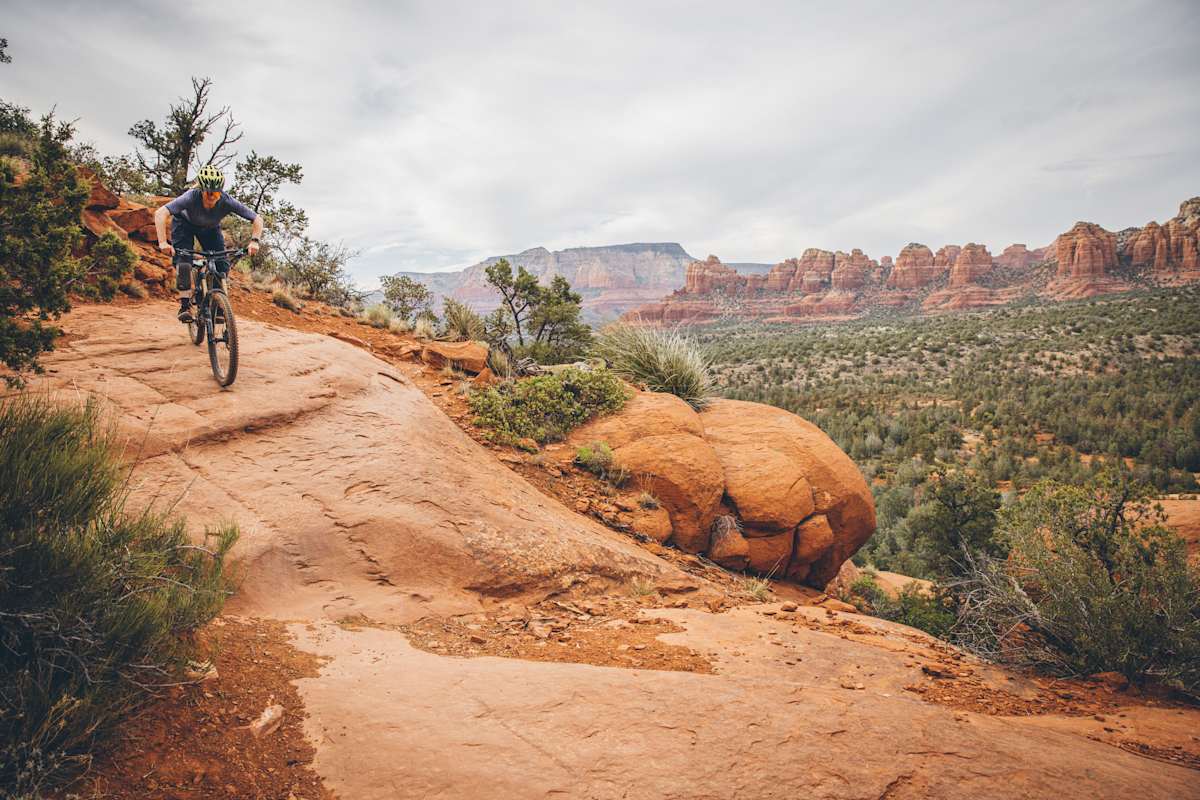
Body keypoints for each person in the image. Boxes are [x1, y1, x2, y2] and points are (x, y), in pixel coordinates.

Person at [154, 165, 263, 322]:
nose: (212, 196)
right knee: (184, 262)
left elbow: (257, 219)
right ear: (201, 190)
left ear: (221, 191)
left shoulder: (227, 200)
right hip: (184, 225)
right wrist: (163, 242)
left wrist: (254, 241)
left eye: (216, 192)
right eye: (208, 192)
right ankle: (185, 306)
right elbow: (160, 213)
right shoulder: (191, 197)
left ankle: (218, 306)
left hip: (210, 228)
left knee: (222, 264)